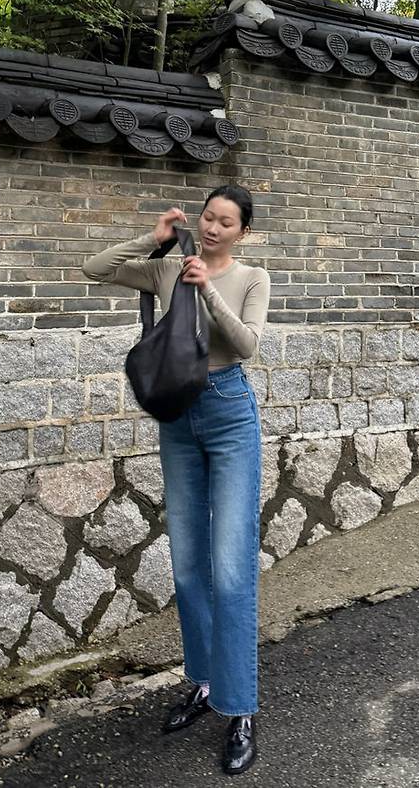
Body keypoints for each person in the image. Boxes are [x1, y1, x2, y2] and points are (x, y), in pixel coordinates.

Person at [83, 184, 271, 775]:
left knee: (231, 565)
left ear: (242, 231)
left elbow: (247, 346)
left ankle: (239, 708)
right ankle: (202, 681)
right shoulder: (165, 269)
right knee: (188, 562)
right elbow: (94, 268)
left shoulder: (251, 277)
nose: (212, 228)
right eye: (207, 218)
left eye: (225, 222)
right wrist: (156, 239)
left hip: (230, 413)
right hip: (179, 417)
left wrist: (207, 290)